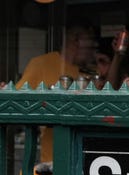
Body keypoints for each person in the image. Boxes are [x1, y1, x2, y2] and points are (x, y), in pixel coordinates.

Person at [16, 24, 98, 163]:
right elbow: (17, 102)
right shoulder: (42, 64)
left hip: (87, 159)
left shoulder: (91, 72)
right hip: (52, 160)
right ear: (76, 41)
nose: (93, 53)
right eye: (90, 47)